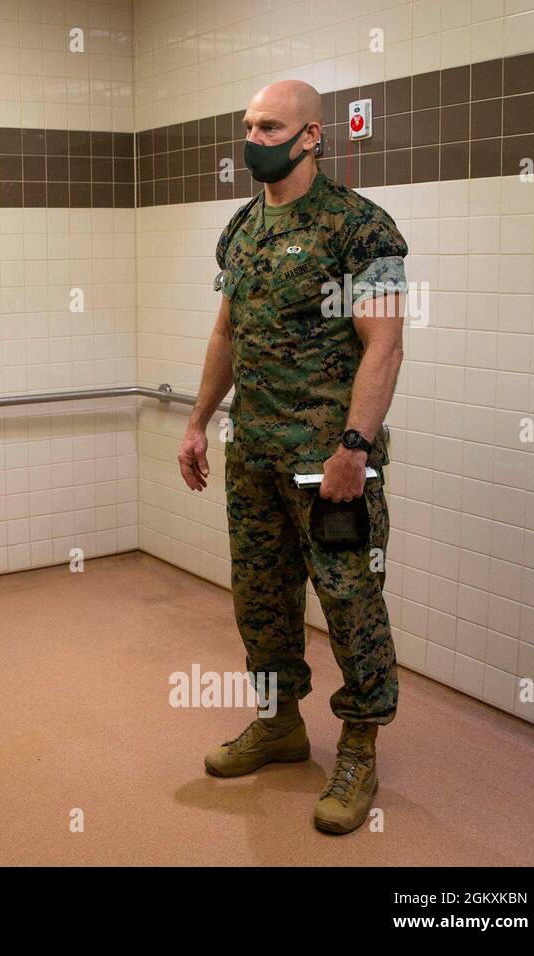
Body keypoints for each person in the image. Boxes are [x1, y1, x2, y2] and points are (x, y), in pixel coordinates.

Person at [176, 80, 408, 834]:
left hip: (329, 467)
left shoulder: (358, 230)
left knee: (349, 604)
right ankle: (279, 726)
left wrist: (354, 446)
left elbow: (385, 344)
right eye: (248, 124)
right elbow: (225, 335)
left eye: (270, 125)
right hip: (255, 460)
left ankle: (360, 749)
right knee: (262, 603)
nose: (255, 137)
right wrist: (198, 421)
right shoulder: (241, 229)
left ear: (311, 136)